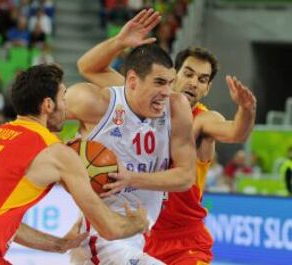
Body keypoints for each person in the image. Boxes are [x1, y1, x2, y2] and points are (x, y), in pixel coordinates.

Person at [76, 9, 257, 265]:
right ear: (175, 74)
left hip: (184, 237)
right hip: (142, 231)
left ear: (207, 88)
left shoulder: (202, 119)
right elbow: (87, 67)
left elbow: (236, 132)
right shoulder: (146, 97)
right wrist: (119, 42)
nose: (194, 83)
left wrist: (246, 110)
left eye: (202, 79)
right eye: (189, 74)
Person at [0, 64, 148, 265]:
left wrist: (58, 245)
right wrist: (138, 224)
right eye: (64, 98)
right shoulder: (56, 153)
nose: (67, 106)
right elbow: (108, 228)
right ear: (47, 104)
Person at [66, 10, 197, 265]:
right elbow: (46, 114)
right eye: (160, 82)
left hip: (136, 233)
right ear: (134, 81)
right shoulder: (100, 103)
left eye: (171, 82)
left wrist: (131, 178)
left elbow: (185, 177)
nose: (167, 91)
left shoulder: (175, 106)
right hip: (104, 234)